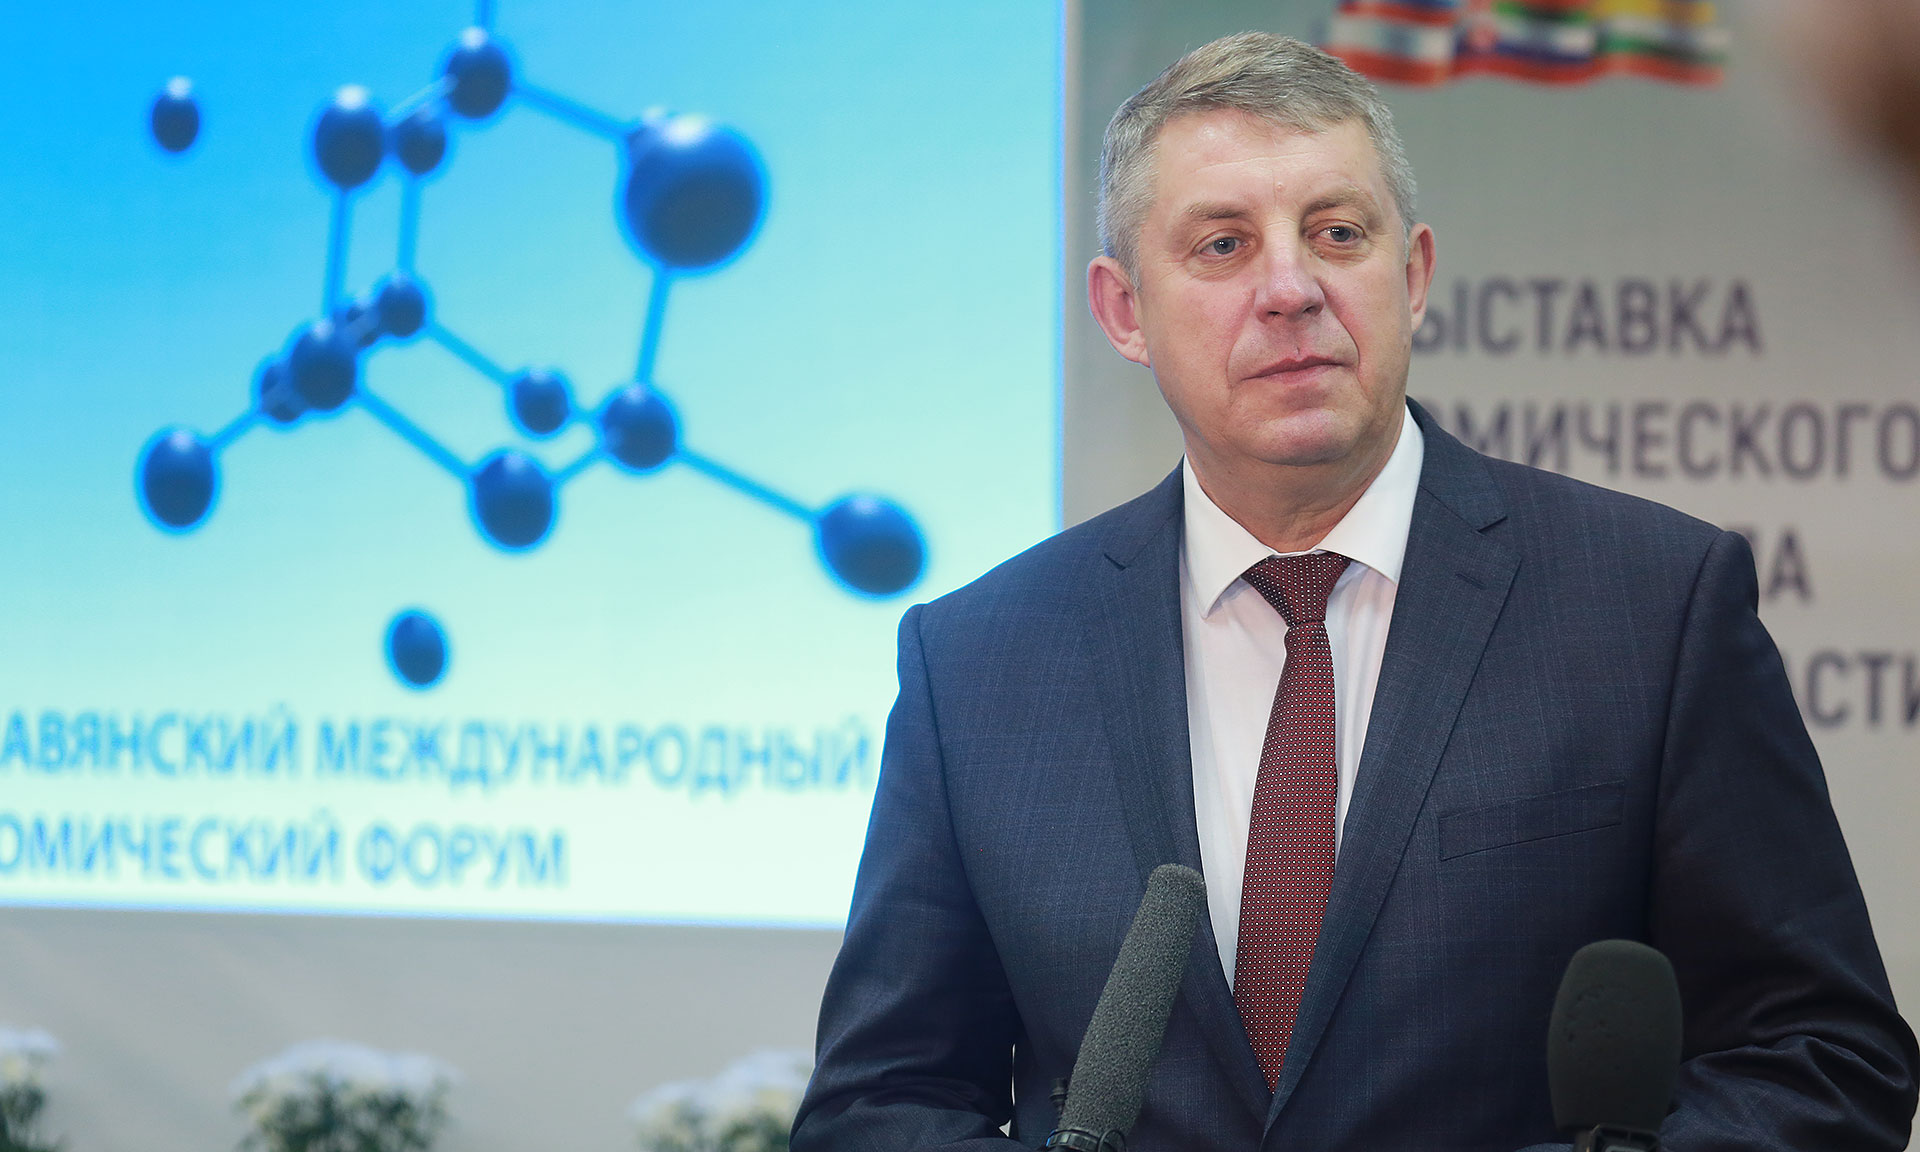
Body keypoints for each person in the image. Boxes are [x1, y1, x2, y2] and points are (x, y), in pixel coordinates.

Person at [791, 32, 1918, 1152]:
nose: (1291, 290)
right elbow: (878, 1104)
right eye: (1224, 245)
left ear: (1412, 275)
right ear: (1124, 310)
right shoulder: (977, 662)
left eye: (1337, 233)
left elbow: (1822, 1058)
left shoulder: (1652, 607)